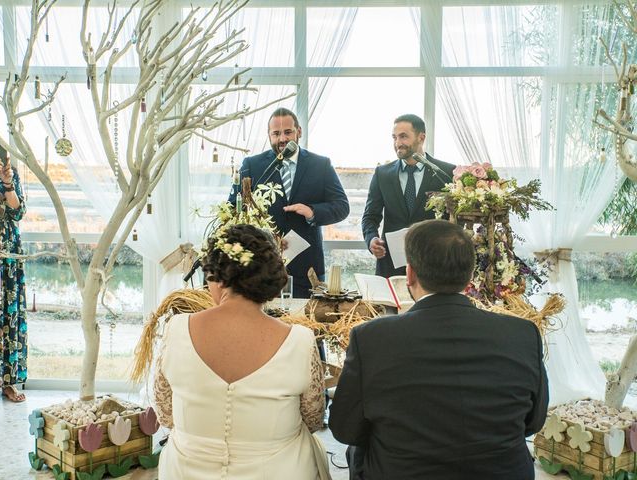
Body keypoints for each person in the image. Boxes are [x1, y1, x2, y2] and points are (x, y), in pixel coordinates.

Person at [329, 219, 548, 480]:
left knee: (357, 451)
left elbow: (345, 429)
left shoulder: (371, 338)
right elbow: (533, 423)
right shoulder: (522, 334)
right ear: (470, 276)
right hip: (502, 472)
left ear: (409, 274)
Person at [154, 224, 330, 479]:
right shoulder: (300, 340)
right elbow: (313, 420)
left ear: (218, 277)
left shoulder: (176, 329)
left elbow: (166, 415)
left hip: (188, 471)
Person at [229, 108, 349, 298]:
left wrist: (312, 212)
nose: (282, 139)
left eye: (288, 132)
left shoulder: (321, 165)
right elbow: (233, 211)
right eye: (276, 133)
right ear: (269, 135)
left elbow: (342, 207)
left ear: (299, 131)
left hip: (308, 268)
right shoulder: (252, 165)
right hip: (262, 266)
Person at [362, 114, 455, 278]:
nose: (398, 143)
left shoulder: (446, 173)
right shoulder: (382, 174)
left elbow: (454, 220)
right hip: (390, 267)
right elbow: (370, 217)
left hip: (434, 265)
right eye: (394, 137)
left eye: (403, 136)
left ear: (421, 137)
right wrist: (371, 240)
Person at [0, 144, 27, 402]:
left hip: (7, 251)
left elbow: (18, 212)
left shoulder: (11, 174)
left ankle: (8, 382)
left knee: (10, 312)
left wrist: (7, 184)